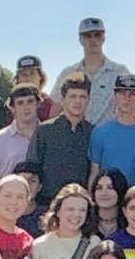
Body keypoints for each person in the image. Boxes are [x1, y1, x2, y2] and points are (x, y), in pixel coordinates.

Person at [27, 72, 94, 205]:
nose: (78, 101)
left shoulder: (93, 133)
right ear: (63, 100)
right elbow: (32, 168)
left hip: (80, 207)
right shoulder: (45, 130)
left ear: (88, 100)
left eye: (83, 97)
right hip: (46, 204)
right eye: (73, 96)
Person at [51, 17, 133, 125]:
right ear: (80, 40)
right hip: (76, 138)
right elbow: (55, 111)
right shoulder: (68, 73)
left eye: (97, 35)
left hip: (107, 138)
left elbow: (131, 107)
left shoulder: (120, 72)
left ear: (103, 38)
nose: (93, 39)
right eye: (87, 35)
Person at [89, 75, 135, 186]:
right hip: (108, 198)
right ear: (114, 96)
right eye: (122, 93)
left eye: (132, 94)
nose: (126, 99)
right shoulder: (100, 132)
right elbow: (94, 172)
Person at [0, 83, 41, 195]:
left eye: (30, 101)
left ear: (38, 104)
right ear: (12, 108)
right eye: (20, 103)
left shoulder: (47, 135)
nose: (26, 107)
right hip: (9, 203)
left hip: (41, 204)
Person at [15, 55, 57, 121]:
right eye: (23, 74)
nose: (28, 77)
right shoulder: (10, 105)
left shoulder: (50, 105)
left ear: (40, 77)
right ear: (18, 79)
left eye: (32, 73)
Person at [90, 169, 129, 239]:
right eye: (99, 188)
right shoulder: (86, 222)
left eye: (110, 188)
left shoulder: (130, 223)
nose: (104, 193)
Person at [12, 163, 48, 236]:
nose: (27, 184)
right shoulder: (2, 212)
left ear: (40, 187)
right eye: (23, 180)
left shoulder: (46, 216)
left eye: (33, 181)